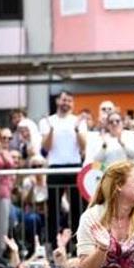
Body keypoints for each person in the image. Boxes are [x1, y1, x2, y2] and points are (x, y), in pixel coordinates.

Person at [39, 90, 87, 241]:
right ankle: (53, 243)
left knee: (77, 208)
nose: (66, 103)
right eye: (63, 100)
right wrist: (52, 129)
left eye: (69, 100)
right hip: (55, 167)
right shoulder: (47, 121)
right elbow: (46, 148)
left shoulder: (78, 120)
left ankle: (77, 244)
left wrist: (77, 129)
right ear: (57, 101)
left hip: (75, 167)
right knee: (53, 209)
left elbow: (83, 146)